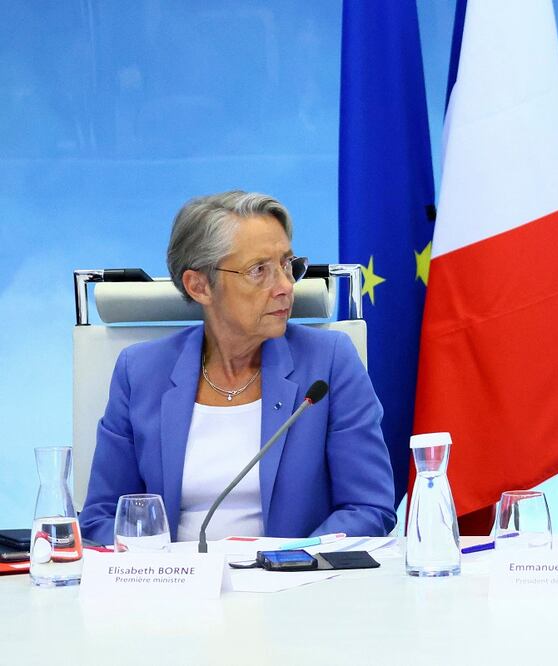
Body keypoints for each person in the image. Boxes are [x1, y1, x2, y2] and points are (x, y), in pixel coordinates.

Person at [80, 191, 396, 545]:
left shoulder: (328, 362)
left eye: (288, 265)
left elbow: (369, 507)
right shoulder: (139, 372)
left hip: (298, 586)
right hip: (173, 590)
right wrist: (165, 568)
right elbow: (102, 516)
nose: (285, 286)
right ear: (198, 286)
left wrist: (290, 557)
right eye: (259, 270)